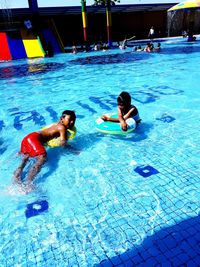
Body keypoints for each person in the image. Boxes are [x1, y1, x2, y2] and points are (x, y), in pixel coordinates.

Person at [14, 110, 76, 192]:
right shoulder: (62, 127)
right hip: (34, 139)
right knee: (43, 157)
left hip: (29, 137)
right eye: (70, 120)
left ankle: (16, 175)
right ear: (62, 119)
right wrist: (73, 149)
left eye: (74, 120)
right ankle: (29, 182)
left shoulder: (57, 125)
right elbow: (63, 143)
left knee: (26, 157)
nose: (72, 122)